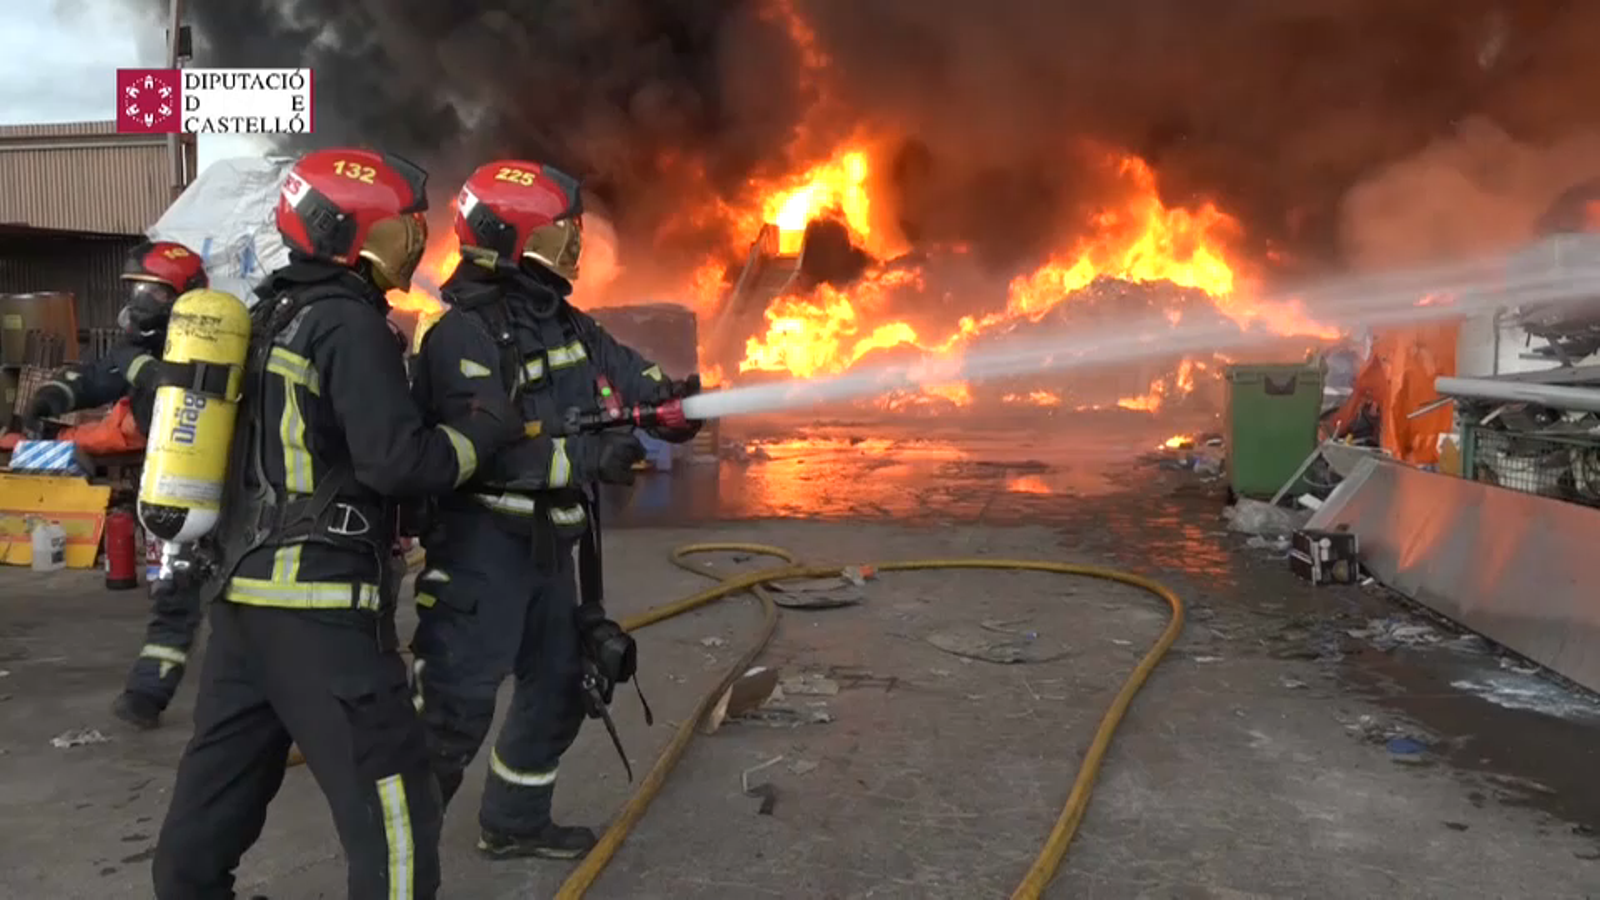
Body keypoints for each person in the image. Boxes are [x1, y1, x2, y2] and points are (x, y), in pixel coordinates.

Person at [151, 147, 523, 900]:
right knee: (397, 821)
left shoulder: (261, 315)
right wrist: (484, 430)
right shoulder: (349, 324)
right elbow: (398, 463)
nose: (413, 244)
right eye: (400, 228)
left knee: (206, 820)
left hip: (244, 612)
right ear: (346, 229)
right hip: (322, 617)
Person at [407, 159, 702, 859]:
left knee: (563, 685)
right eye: (561, 231)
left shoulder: (568, 323)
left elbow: (633, 374)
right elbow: (471, 451)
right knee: (454, 712)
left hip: (549, 554)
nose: (575, 245)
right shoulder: (458, 337)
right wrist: (579, 461)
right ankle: (399, 858)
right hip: (481, 553)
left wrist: (677, 404)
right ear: (512, 236)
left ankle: (513, 821)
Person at [25, 240, 212, 730]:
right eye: (136, 291)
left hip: (219, 483)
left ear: (182, 297)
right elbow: (95, 378)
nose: (139, 304)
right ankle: (149, 692)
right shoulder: (137, 352)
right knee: (177, 587)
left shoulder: (213, 343)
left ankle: (159, 693)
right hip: (174, 478)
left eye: (152, 292)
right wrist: (48, 399)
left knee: (206, 590)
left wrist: (144, 370)